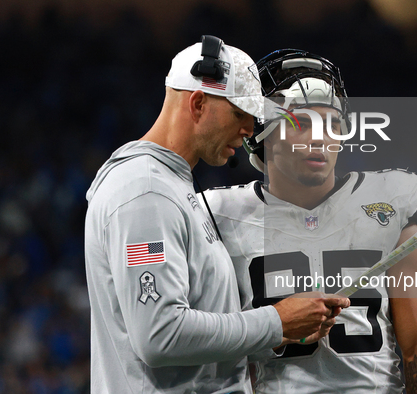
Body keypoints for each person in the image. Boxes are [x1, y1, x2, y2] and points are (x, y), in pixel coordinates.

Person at [84, 38, 350, 394]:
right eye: (240, 114)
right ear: (198, 103)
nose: (249, 130)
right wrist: (276, 320)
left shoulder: (170, 184)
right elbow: (160, 336)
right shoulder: (145, 191)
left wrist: (284, 330)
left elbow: (197, 337)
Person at [203, 49, 417, 393]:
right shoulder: (215, 216)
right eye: (301, 124)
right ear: (262, 132)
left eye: (331, 124)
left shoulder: (389, 211)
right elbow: (196, 342)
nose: (319, 138)